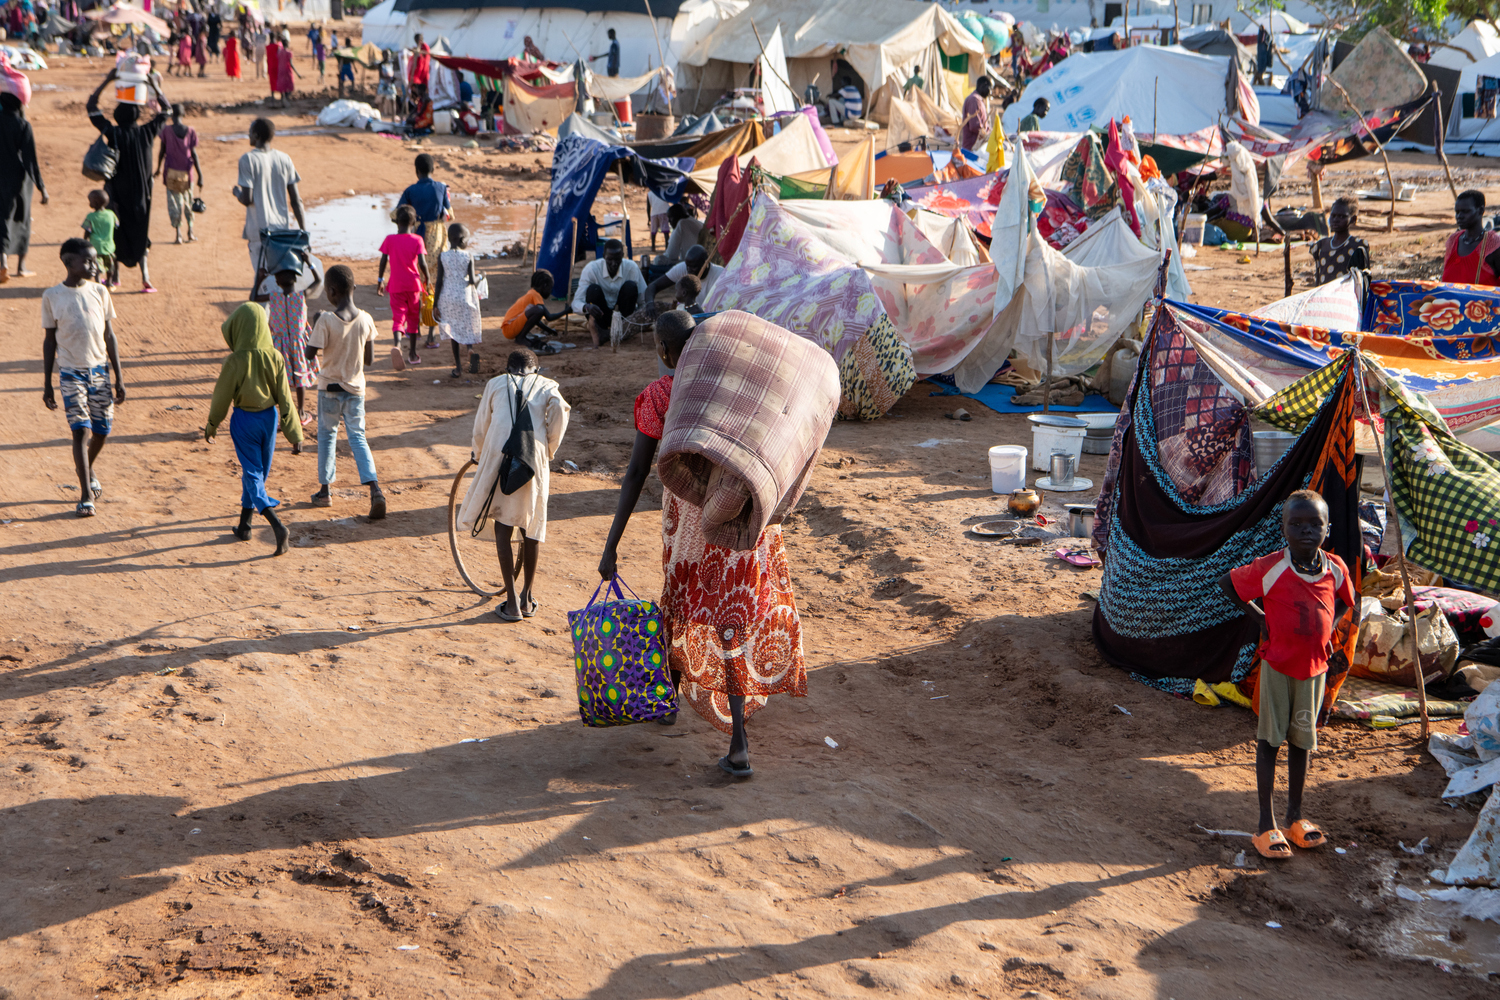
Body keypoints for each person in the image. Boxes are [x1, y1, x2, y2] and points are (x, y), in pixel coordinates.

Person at [597, 310, 808, 776]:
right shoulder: (736, 386)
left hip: (691, 526)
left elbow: (635, 472)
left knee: (681, 605)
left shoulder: (662, 396)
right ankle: (737, 744)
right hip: (745, 519)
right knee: (730, 618)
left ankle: (670, 701)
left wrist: (612, 544)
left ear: (663, 351)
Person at [1219, 490, 1354, 860]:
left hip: (1314, 671)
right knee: (1270, 742)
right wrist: (1260, 619)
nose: (1306, 531)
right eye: (1296, 524)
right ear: (1284, 529)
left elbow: (1346, 598)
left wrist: (1331, 630)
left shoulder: (1336, 568)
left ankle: (1295, 818)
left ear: (1327, 528)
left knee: (1302, 742)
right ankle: (1266, 824)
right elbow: (1228, 584)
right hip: (1278, 666)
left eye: (1314, 524)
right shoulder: (1271, 567)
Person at [458, 347, 572, 622]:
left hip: (500, 458)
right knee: (531, 524)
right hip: (533, 461)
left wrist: (477, 455)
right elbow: (560, 410)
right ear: (535, 369)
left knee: (503, 524)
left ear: (509, 368)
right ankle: (526, 597)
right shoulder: (547, 385)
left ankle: (511, 602)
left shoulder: (495, 384)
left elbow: (481, 426)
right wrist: (549, 448)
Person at [204, 302, 302, 555]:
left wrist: (212, 424)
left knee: (253, 474)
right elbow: (285, 398)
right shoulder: (276, 356)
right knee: (257, 473)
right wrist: (294, 433)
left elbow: (221, 397)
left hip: (244, 421)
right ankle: (244, 525)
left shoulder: (235, 360)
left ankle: (277, 525)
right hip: (269, 421)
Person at [42, 239, 123, 519]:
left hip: (100, 372)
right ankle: (86, 493)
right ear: (68, 263)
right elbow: (49, 342)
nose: (94, 266)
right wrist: (46, 384)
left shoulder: (100, 292)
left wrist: (119, 378)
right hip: (70, 373)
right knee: (81, 430)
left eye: (95, 260)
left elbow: (109, 336)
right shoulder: (52, 296)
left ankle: (86, 467)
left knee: (102, 430)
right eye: (87, 261)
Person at [307, 265, 385, 519]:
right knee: (358, 438)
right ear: (354, 288)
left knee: (327, 437)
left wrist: (315, 322)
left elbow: (310, 354)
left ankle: (325, 491)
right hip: (355, 390)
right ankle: (375, 490)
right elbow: (370, 360)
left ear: (331, 292)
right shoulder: (366, 319)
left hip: (328, 389)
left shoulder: (326, 320)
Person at [86, 69, 167, 294]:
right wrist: (154, 85)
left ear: (117, 116)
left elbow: (91, 108)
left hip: (116, 192)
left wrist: (107, 80)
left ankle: (114, 277)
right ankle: (146, 278)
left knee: (117, 231)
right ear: (137, 116)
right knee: (141, 230)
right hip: (142, 193)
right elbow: (167, 110)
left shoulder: (113, 133)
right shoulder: (147, 132)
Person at [251, 250, 321, 428]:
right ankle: (301, 411)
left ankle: (283, 414)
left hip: (280, 344)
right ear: (296, 279)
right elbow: (319, 281)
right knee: (300, 378)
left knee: (279, 380)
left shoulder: (273, 297)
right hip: (298, 344)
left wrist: (259, 279)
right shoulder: (301, 295)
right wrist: (309, 263)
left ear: (276, 282)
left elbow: (254, 298)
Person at [234, 117, 305, 290]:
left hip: (259, 232)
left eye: (250, 132)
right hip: (281, 233)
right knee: (281, 281)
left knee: (264, 283)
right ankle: (284, 315)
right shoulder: (284, 159)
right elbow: (296, 200)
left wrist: (236, 192)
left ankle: (269, 316)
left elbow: (247, 198)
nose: (248, 135)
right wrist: (303, 231)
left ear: (256, 135)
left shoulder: (247, 160)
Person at [395, 152, 452, 345]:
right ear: (433, 170)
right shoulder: (442, 188)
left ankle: (414, 329)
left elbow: (397, 213)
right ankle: (431, 334)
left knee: (416, 282)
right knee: (434, 283)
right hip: (437, 236)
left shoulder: (410, 191)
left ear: (417, 171)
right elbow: (449, 213)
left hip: (417, 237)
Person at [0, 90, 46, 284]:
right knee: (22, 217)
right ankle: (21, 267)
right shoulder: (23, 125)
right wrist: (42, 188)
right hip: (18, 180)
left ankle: (2, 261)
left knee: (2, 217)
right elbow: (30, 160)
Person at [376, 204, 430, 367]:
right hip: (414, 285)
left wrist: (380, 280)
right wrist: (427, 279)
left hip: (396, 285)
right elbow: (422, 263)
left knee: (398, 318)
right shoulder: (417, 239)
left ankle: (397, 345)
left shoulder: (390, 239)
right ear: (414, 223)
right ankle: (413, 354)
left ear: (396, 221)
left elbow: (383, 261)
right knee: (413, 319)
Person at [572, 239, 645, 348]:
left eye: (617, 259)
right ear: (603, 256)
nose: (614, 264)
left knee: (631, 286)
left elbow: (643, 300)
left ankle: (623, 331)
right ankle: (601, 331)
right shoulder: (592, 269)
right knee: (593, 290)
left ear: (623, 256)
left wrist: (638, 319)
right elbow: (576, 303)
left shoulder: (632, 268)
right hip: (601, 316)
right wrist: (587, 307)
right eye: (609, 259)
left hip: (624, 317)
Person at [433, 222, 483, 378]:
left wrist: (435, 304)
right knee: (467, 325)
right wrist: (482, 276)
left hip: (447, 297)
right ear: (462, 240)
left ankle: (458, 368)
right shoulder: (468, 256)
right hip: (464, 296)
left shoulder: (442, 256)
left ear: (449, 239)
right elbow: (472, 281)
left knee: (453, 332)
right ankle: (469, 349)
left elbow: (439, 281)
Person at [154, 103, 202, 245]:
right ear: (183, 114)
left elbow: (162, 152)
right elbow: (194, 154)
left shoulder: (166, 131)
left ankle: (178, 235)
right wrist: (200, 175)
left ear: (171, 115)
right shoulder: (190, 131)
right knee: (188, 202)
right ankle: (190, 232)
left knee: (174, 204)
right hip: (187, 173)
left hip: (171, 173)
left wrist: (158, 169)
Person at [501, 270, 569, 351]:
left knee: (539, 310)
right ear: (544, 286)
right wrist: (567, 311)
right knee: (539, 310)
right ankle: (521, 338)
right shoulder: (535, 295)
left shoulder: (531, 293)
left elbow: (535, 320)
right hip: (510, 328)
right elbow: (549, 317)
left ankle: (521, 336)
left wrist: (549, 330)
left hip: (508, 329)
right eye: (550, 288)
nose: (550, 292)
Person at [1443, 189, 1500, 286]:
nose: (1459, 216)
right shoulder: (1453, 241)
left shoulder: (1492, 244)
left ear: (1481, 210)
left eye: (1465, 212)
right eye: (1457, 212)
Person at [1307, 196, 1368, 286]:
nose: (1335, 220)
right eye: (1333, 216)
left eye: (1342, 216)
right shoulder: (1320, 246)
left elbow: (1364, 280)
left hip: (1347, 298)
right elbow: (1318, 278)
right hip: (1324, 297)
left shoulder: (1358, 246)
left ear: (1353, 219)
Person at [646, 245, 723, 303]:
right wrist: (650, 303)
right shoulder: (683, 267)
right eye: (687, 266)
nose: (689, 270)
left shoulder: (720, 276)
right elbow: (653, 286)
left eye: (693, 267)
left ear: (705, 264)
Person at [81, 190, 118, 288]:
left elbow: (87, 232)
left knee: (96, 267)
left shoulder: (90, 216)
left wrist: (85, 243)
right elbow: (117, 225)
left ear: (96, 203)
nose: (89, 203)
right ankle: (109, 283)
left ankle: (99, 284)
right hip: (109, 246)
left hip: (96, 247)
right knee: (110, 266)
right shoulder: (111, 214)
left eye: (91, 201)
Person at [650, 203, 703, 270]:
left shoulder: (681, 224)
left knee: (658, 260)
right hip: (701, 262)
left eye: (670, 218)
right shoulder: (696, 222)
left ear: (677, 216)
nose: (669, 221)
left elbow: (671, 255)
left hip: (692, 265)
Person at [960, 76, 991, 152]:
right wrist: (987, 133)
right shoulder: (974, 100)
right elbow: (974, 126)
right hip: (972, 148)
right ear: (983, 86)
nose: (990, 92)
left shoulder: (978, 100)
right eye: (990, 88)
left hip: (976, 147)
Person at [274, 34, 298, 103]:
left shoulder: (279, 52)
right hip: (287, 71)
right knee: (290, 86)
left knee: (282, 86)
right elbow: (291, 64)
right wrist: (297, 73)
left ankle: (283, 99)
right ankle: (286, 99)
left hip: (280, 70)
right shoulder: (289, 53)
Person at [408, 34, 430, 103]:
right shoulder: (419, 47)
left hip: (423, 72)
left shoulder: (425, 47)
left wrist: (418, 52)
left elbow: (424, 59)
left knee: (423, 89)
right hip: (419, 71)